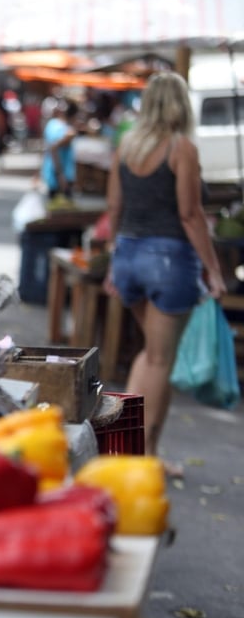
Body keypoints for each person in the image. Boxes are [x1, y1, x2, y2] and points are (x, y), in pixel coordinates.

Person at [103, 71, 226, 469]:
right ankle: (145, 457)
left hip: (129, 257)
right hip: (169, 261)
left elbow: (115, 209)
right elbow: (191, 215)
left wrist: (112, 261)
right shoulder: (181, 148)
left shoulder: (127, 145)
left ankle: (127, 444)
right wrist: (214, 269)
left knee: (151, 354)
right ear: (181, 104)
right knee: (160, 360)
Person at [40, 100, 80, 204]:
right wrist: (60, 174)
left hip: (55, 173)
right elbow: (53, 148)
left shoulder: (52, 124)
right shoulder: (66, 130)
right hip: (59, 175)